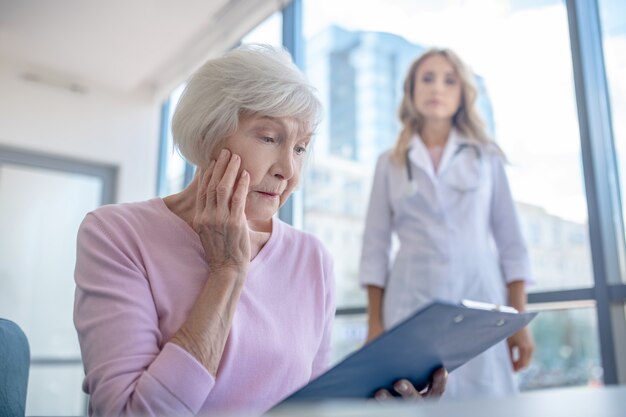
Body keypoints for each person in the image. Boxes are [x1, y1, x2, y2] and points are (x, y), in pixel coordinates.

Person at [73, 44, 447, 417]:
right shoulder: (116, 234)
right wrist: (227, 273)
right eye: (269, 138)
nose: (288, 170)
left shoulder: (312, 258)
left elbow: (312, 409)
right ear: (207, 136)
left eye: (301, 148)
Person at [359, 47, 534, 401]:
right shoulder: (389, 163)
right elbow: (375, 248)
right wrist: (374, 324)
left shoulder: (486, 157)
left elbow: (511, 243)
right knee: (416, 399)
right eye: (427, 79)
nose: (437, 88)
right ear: (410, 91)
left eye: (448, 80)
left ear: (461, 95)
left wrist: (517, 322)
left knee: (487, 400)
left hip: (480, 300)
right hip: (409, 305)